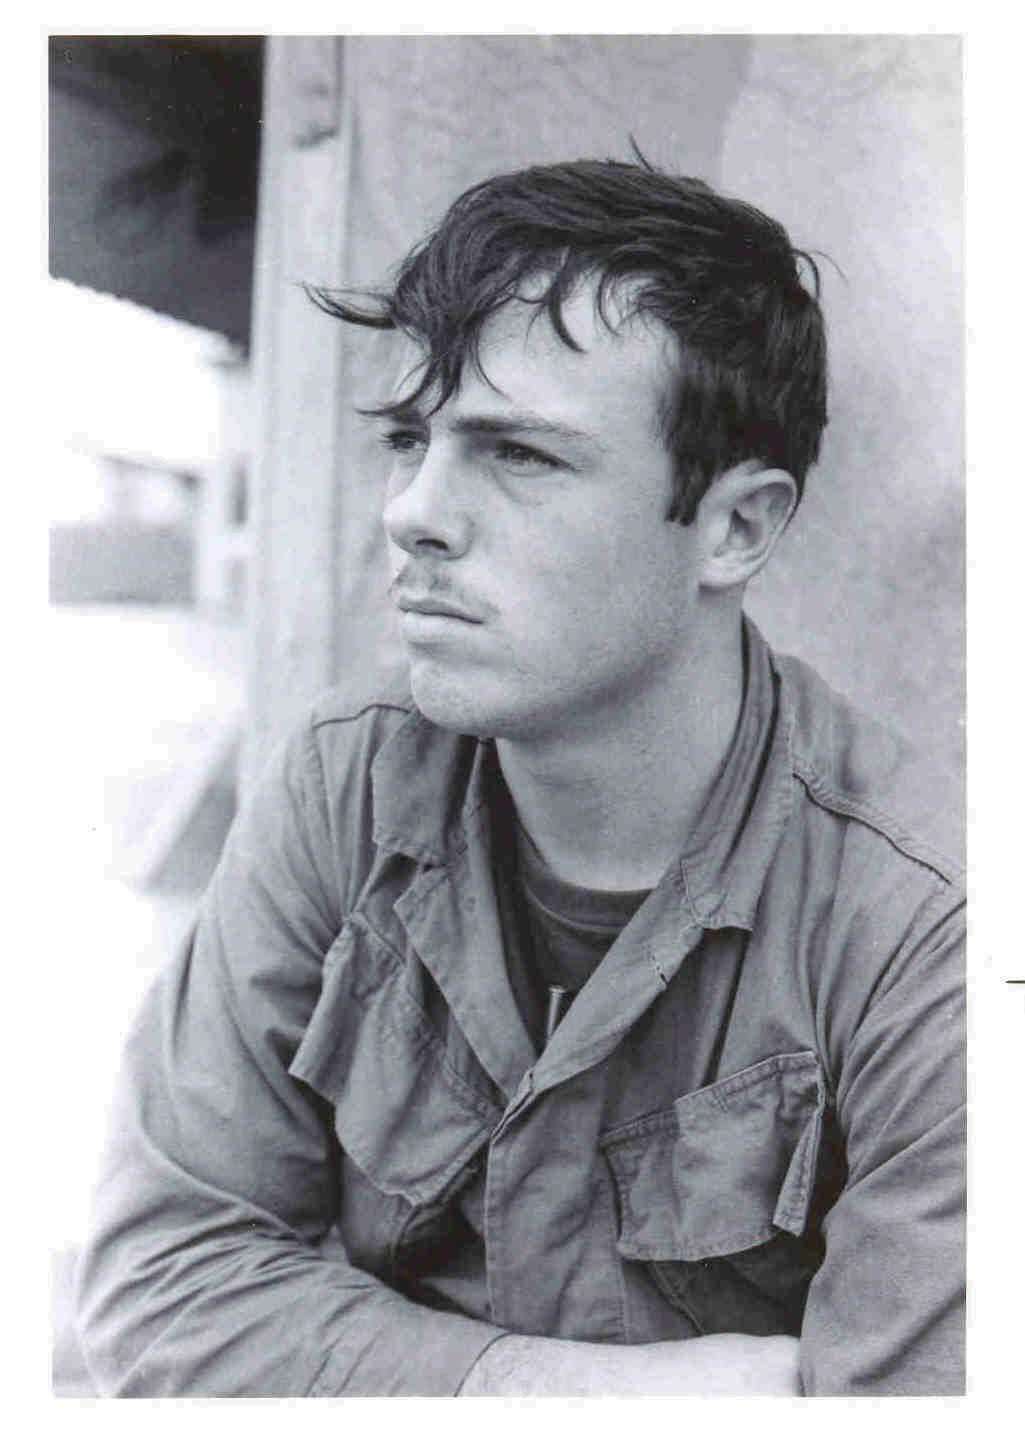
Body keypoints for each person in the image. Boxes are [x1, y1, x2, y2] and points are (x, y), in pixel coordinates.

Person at [75, 158, 965, 1397]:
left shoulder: (932, 925)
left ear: (735, 528)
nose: (413, 512)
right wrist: (568, 1394)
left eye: (520, 456)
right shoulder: (348, 784)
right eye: (409, 441)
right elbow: (162, 1281)